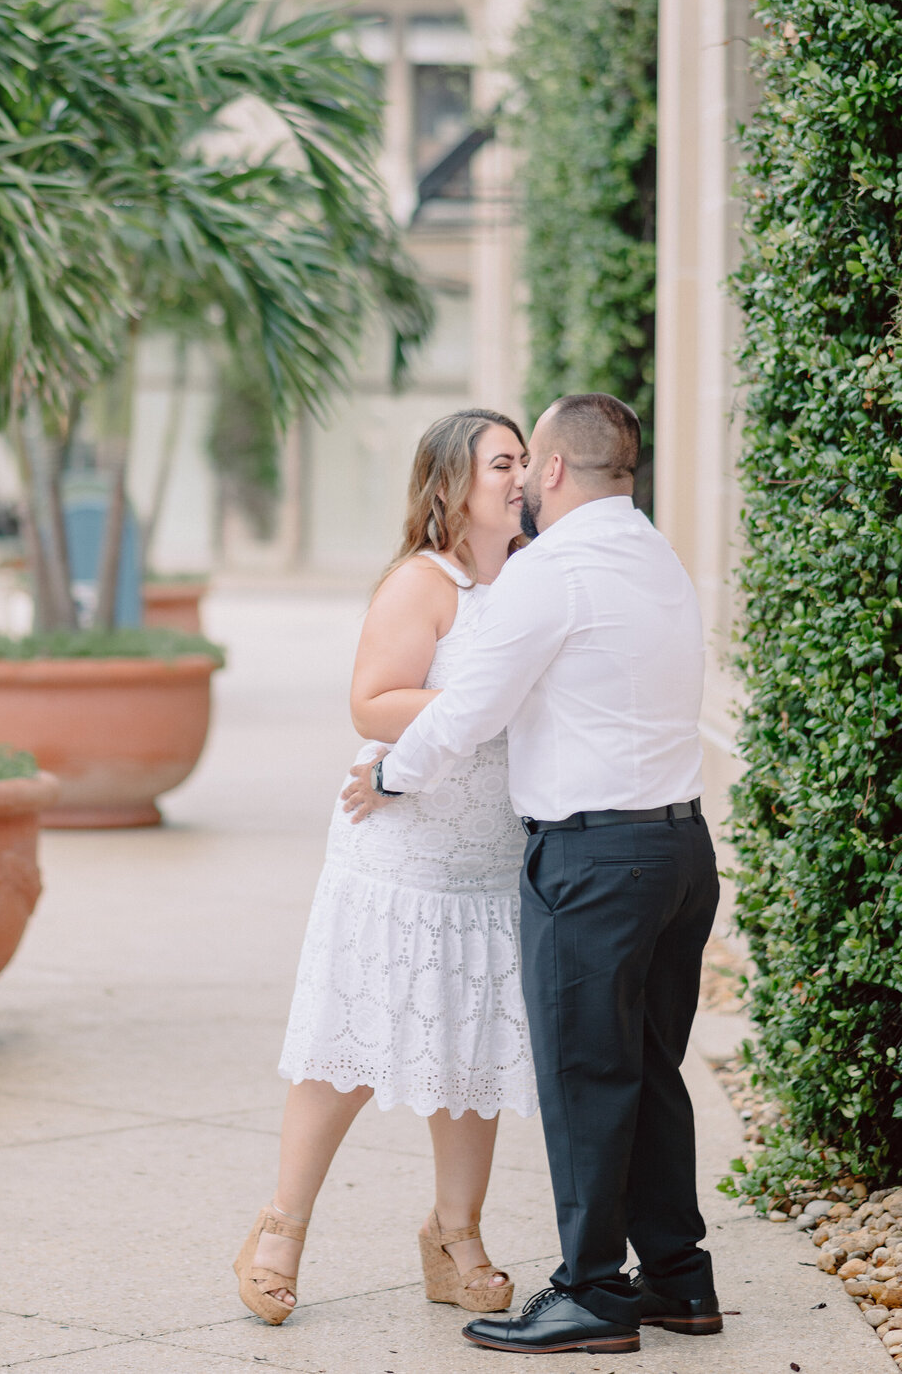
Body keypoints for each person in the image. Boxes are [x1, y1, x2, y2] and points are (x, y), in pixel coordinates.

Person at [342, 393, 721, 1356]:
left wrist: (389, 774)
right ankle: (680, 1280)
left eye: (527, 465)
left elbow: (467, 707)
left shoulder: (549, 572)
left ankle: (592, 1292)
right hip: (681, 850)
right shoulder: (660, 559)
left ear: (552, 471)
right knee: (647, 1072)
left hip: (596, 860)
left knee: (588, 1077)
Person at [233, 409, 538, 1326]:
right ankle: (279, 1228)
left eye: (524, 461)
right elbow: (372, 702)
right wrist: (486, 701)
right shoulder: (423, 582)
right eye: (501, 464)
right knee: (350, 1045)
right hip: (401, 861)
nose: (520, 477)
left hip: (491, 862)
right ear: (450, 486)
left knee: (472, 1053)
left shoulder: (533, 579)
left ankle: (455, 1237)